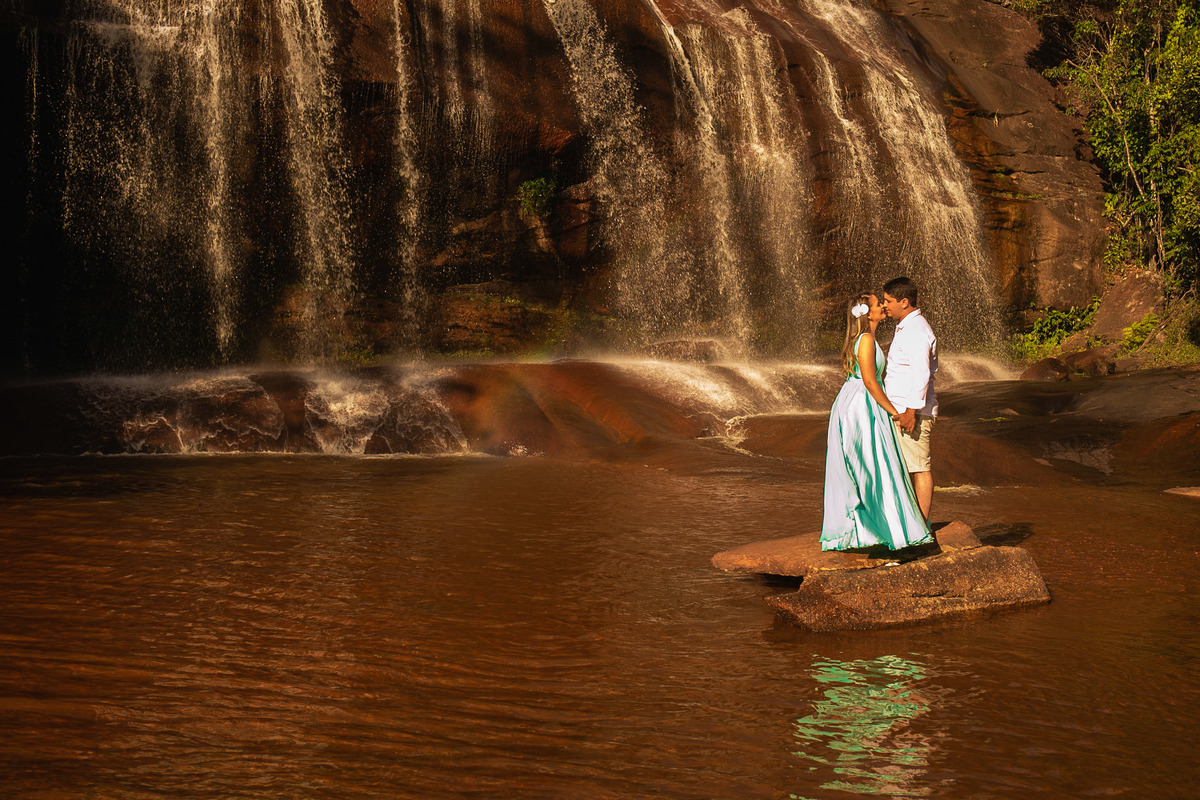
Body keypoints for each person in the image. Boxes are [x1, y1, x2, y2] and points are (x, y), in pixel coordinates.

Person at [820, 293, 932, 552]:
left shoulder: (863, 338)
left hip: (857, 400)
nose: (882, 305)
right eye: (877, 303)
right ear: (867, 313)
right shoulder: (867, 340)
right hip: (862, 404)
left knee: (868, 465)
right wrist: (896, 412)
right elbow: (870, 381)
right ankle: (882, 528)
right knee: (872, 465)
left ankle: (870, 528)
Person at [881, 276, 938, 522]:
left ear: (904, 302)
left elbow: (921, 372)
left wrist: (910, 411)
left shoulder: (915, 330)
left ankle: (921, 526)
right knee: (910, 467)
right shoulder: (907, 326)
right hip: (905, 410)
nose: (884, 305)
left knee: (919, 468)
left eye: (888, 301)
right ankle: (912, 522)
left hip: (912, 412)